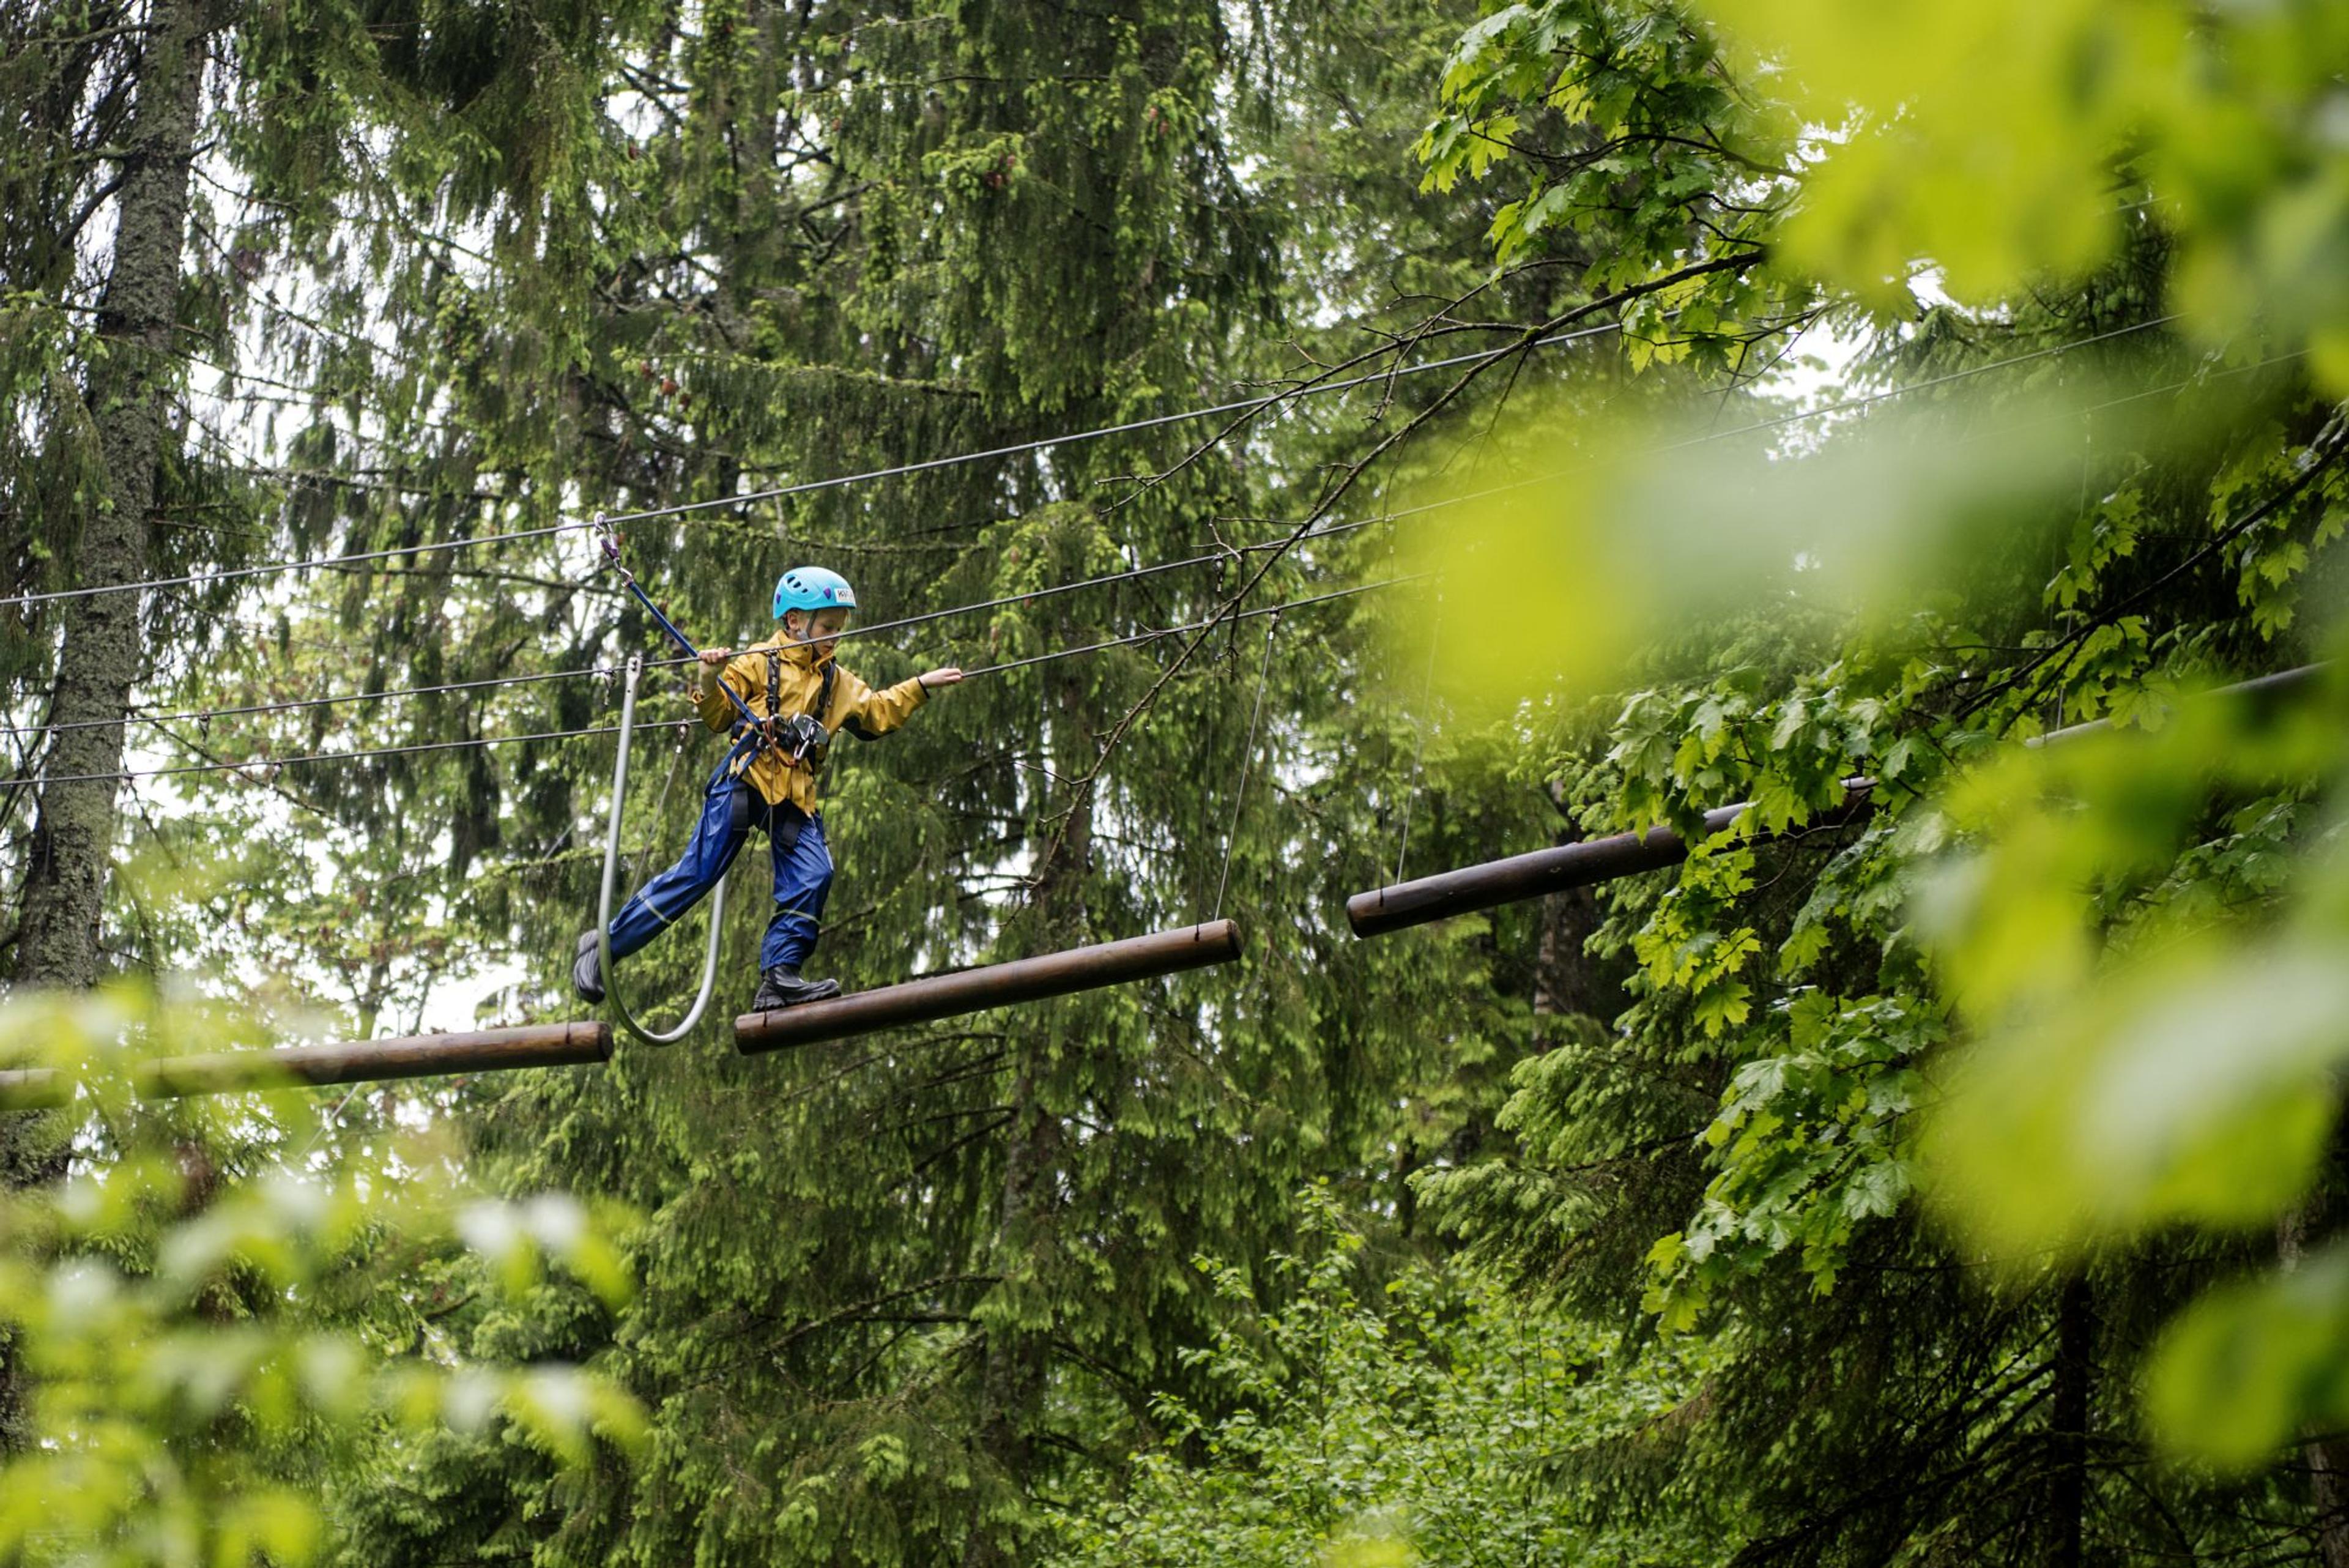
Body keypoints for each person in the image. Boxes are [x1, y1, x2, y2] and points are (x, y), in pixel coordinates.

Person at [573, 565, 963, 1013]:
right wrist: (707, 677)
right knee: (697, 875)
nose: (835, 637)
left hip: (794, 797)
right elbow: (718, 714)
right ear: (795, 621)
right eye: (828, 627)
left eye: (840, 628)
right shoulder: (758, 661)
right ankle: (605, 947)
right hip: (746, 783)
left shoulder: (837, 683)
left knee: (815, 873)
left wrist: (919, 687)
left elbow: (876, 712)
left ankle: (779, 975)